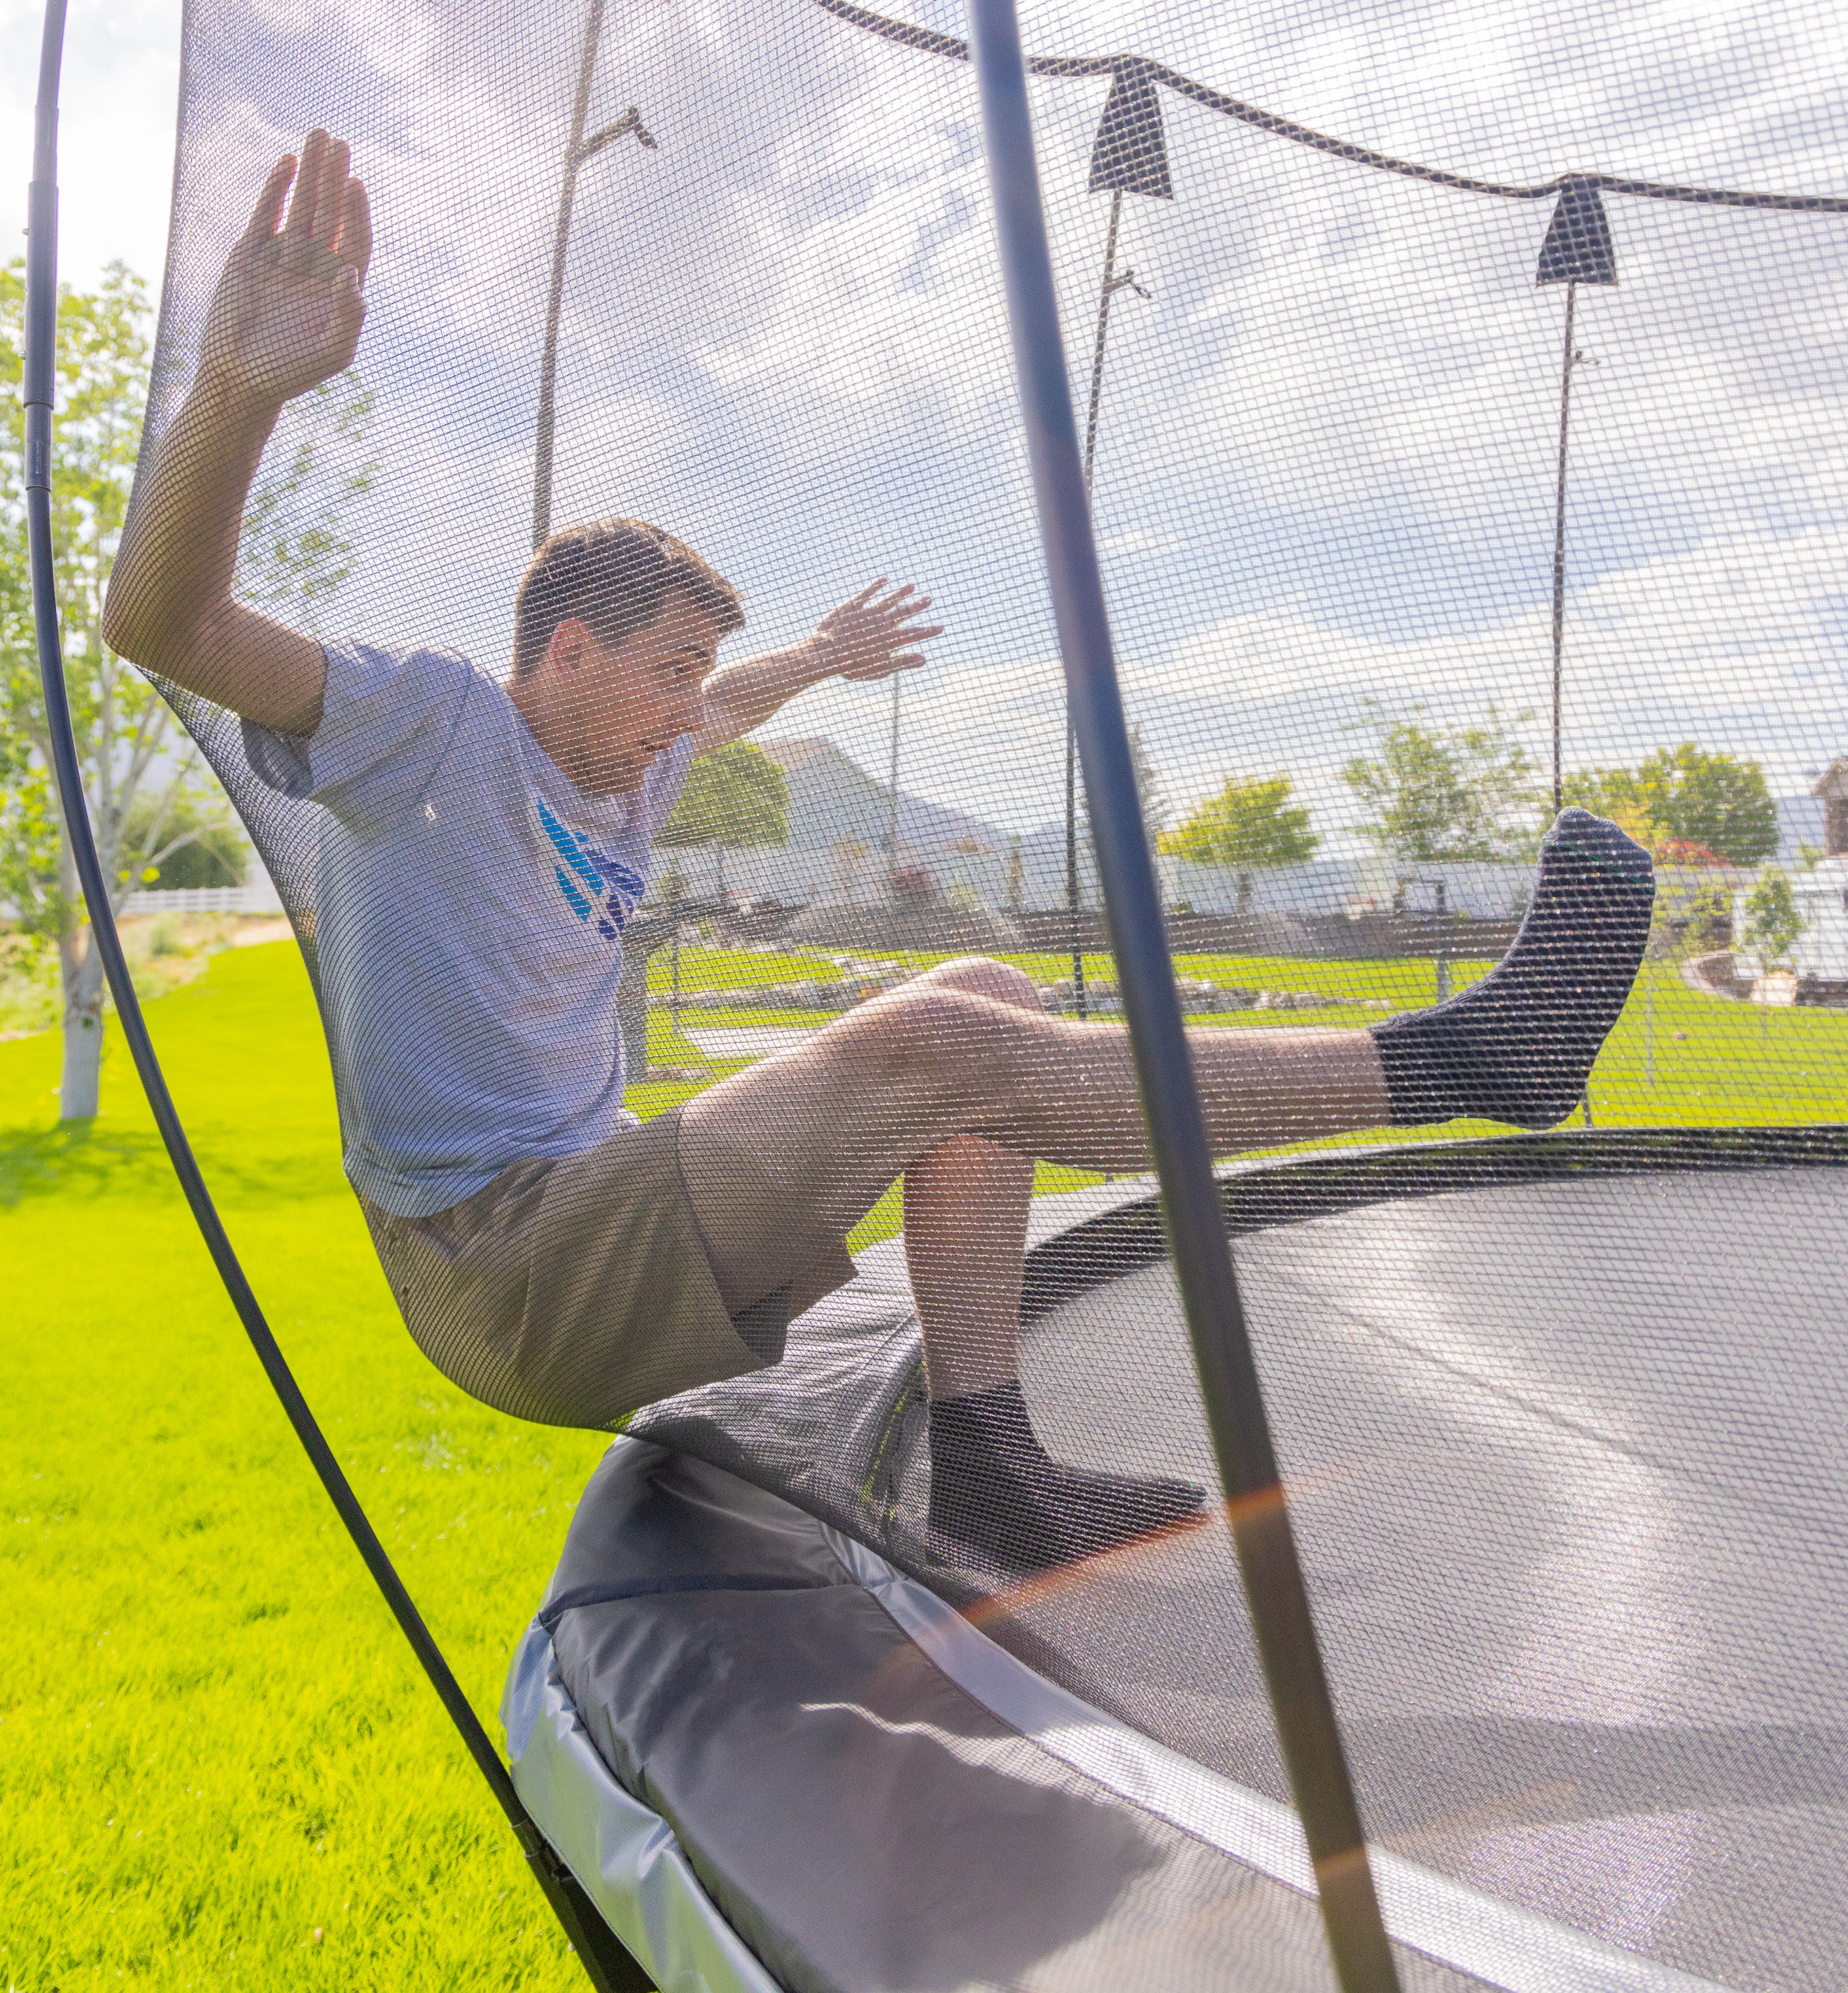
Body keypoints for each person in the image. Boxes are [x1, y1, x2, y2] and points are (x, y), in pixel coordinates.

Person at [105, 133, 1656, 1575]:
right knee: (932, 1041)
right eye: (663, 673)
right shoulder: (431, 724)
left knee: (983, 990)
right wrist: (243, 390)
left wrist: (821, 660)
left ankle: (987, 1460)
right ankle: (1472, 1059)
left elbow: (728, 702)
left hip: (610, 1198)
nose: (686, 713)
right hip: (505, 1265)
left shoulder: (630, 758)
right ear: (562, 650)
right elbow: (163, 627)